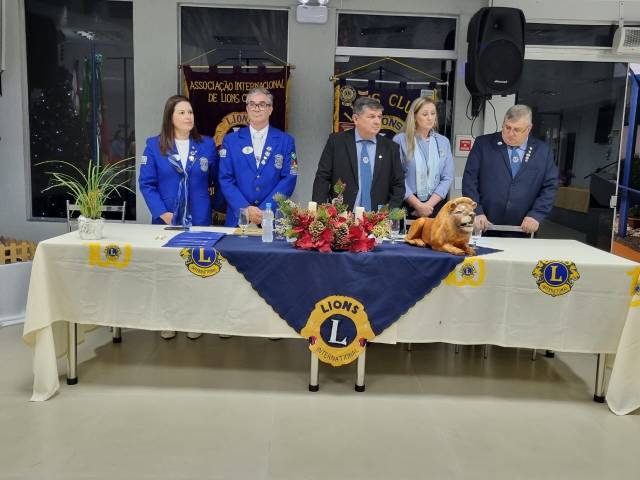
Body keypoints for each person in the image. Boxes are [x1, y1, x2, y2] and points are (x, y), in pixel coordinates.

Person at [139, 94, 220, 340]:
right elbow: (146, 183)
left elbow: (218, 179)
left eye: (190, 112)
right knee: (168, 270)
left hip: (200, 220)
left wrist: (214, 208)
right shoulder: (154, 146)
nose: (188, 117)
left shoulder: (206, 145)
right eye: (182, 113)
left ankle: (195, 319)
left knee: (196, 269)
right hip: (167, 221)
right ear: (170, 118)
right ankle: (169, 318)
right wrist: (161, 212)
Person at [462, 104, 559, 235]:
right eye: (507, 127)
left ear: (529, 128)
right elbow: (469, 181)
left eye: (517, 130)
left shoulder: (543, 151)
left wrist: (536, 214)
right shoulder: (483, 144)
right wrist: (476, 211)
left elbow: (550, 187)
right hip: (485, 224)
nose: (510, 133)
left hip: (524, 228)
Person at [219, 87, 297, 227]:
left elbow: (289, 178)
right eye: (252, 104)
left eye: (262, 104)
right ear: (247, 108)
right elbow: (225, 179)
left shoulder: (286, 141)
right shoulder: (231, 141)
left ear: (270, 109)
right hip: (239, 219)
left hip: (273, 219)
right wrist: (246, 209)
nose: (257, 108)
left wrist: (266, 209)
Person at [312, 96, 405, 210]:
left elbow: (398, 185)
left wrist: (389, 215)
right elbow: (322, 178)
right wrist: (321, 212)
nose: (377, 121)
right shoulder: (337, 142)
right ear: (356, 119)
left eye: (379, 117)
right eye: (371, 116)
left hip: (378, 220)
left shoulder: (390, 148)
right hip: (341, 218)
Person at [393, 96, 454, 219]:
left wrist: (427, 207)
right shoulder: (400, 140)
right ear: (414, 116)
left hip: (434, 206)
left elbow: (447, 177)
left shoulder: (443, 142)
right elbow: (397, 177)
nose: (430, 118)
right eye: (425, 114)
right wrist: (418, 206)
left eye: (433, 113)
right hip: (407, 205)